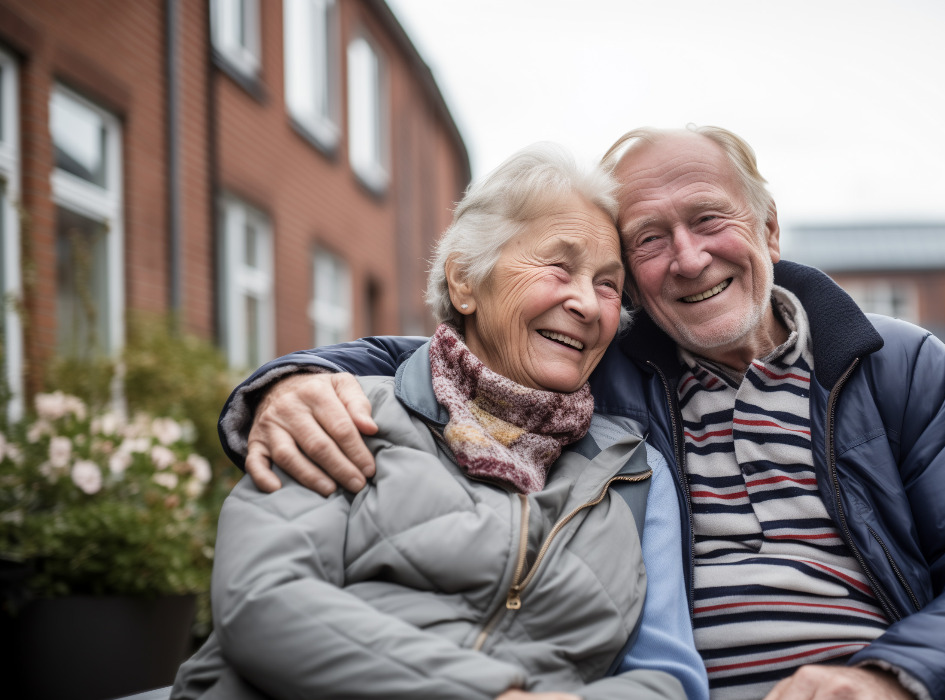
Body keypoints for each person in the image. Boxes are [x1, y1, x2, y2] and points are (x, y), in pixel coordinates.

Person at [220, 126, 945, 700]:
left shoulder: (896, 366)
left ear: (770, 229)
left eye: (709, 220)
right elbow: (460, 349)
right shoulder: (613, 371)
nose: (689, 259)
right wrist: (290, 380)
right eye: (649, 243)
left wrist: (892, 676)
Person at [174, 144, 706, 700]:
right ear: (464, 282)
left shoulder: (632, 473)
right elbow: (262, 599)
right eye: (558, 266)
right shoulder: (341, 411)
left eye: (607, 284)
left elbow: (666, 677)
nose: (587, 304)